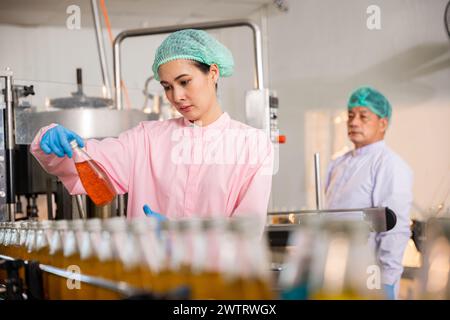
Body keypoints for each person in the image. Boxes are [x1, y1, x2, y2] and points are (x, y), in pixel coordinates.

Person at [30, 29, 274, 233]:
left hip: (214, 285)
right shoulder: (146, 139)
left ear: (212, 73)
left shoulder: (252, 145)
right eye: (167, 87)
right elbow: (88, 165)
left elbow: (246, 232)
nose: (176, 96)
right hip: (146, 280)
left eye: (184, 81)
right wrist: (52, 141)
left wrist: (179, 236)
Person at [324, 86, 413, 299]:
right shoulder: (338, 163)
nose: (354, 122)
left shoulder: (390, 165)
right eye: (351, 116)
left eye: (364, 117)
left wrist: (387, 282)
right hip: (336, 270)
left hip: (369, 275)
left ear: (383, 123)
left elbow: (394, 228)